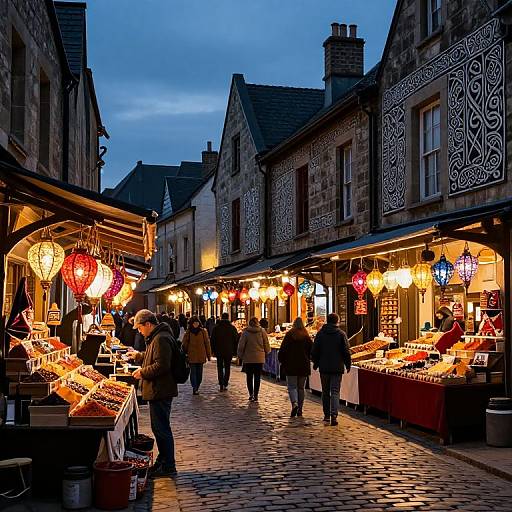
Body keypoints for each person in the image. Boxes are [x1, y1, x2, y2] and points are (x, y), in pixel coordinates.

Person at [127, 309, 177, 478]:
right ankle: (163, 462)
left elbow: (162, 365)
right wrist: (139, 356)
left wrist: (142, 373)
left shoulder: (161, 338)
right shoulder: (156, 337)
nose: (140, 332)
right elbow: (153, 358)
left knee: (161, 428)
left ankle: (169, 465)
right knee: (159, 428)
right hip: (158, 388)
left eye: (140, 328)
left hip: (161, 389)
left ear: (148, 324)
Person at [311, 313, 351, 427]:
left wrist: (316, 363)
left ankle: (326, 415)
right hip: (337, 367)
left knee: (325, 392)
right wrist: (348, 364)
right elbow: (346, 351)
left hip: (324, 368)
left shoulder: (320, 334)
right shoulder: (341, 334)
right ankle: (334, 415)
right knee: (335, 391)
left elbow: (315, 351)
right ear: (337, 321)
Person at [278, 317, 313, 417]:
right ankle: (300, 409)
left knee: (292, 387)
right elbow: (312, 350)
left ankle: (294, 403)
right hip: (303, 365)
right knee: (301, 388)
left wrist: (282, 361)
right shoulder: (306, 336)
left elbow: (283, 350)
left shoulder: (289, 335)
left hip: (291, 365)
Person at [237, 317, 271, 402]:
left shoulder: (245, 332)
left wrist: (240, 355)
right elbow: (266, 343)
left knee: (249, 377)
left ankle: (251, 394)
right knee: (257, 377)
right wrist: (267, 352)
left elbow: (241, 345)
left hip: (248, 358)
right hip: (259, 358)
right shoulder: (262, 331)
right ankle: (256, 395)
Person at [182, 316, 211, 394]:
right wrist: (184, 353)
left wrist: (209, 355)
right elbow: (184, 344)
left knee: (199, 373)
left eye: (197, 323)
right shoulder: (188, 332)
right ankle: (194, 388)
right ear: (191, 324)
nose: (196, 324)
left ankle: (197, 386)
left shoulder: (203, 331)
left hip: (201, 355)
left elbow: (207, 343)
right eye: (194, 323)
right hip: (191, 355)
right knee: (193, 372)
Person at [210, 313, 239, 391]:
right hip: (229, 350)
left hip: (218, 350)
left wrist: (213, 350)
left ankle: (221, 383)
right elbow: (236, 339)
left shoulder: (216, 328)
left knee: (219, 367)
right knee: (227, 366)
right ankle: (225, 382)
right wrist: (235, 350)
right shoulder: (232, 328)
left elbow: (212, 340)